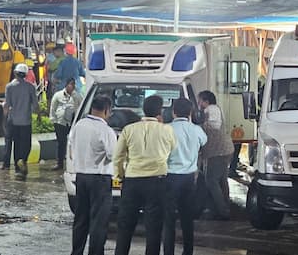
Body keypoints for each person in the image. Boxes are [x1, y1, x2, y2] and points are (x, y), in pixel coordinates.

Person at [114, 95, 176, 255]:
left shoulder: (129, 129)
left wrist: (120, 176)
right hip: (157, 182)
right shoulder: (167, 129)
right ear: (160, 111)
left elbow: (118, 156)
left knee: (125, 226)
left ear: (144, 109)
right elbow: (173, 152)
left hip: (132, 181)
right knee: (154, 228)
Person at [69, 96, 117, 255]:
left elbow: (72, 146)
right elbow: (113, 155)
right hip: (100, 179)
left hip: (81, 177)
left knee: (81, 219)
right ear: (106, 110)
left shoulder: (79, 125)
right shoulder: (106, 130)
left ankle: (76, 252)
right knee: (98, 221)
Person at [163, 98, 207, 255]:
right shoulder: (196, 130)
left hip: (170, 177)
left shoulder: (166, 129)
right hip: (189, 179)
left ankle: (169, 251)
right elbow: (204, 141)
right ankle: (188, 251)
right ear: (190, 112)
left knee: (168, 219)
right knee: (187, 218)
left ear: (173, 112)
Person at [198, 90, 235, 220]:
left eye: (200, 100)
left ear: (206, 101)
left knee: (211, 181)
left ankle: (222, 211)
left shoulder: (211, 109)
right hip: (224, 150)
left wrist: (201, 126)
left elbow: (214, 126)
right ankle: (224, 208)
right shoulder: (215, 109)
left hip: (217, 151)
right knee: (221, 180)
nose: (199, 103)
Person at [4, 63, 39, 178]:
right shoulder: (30, 87)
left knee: (16, 144)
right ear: (25, 74)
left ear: (15, 73)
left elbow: (7, 105)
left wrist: (5, 119)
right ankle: (23, 160)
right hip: (26, 121)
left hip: (13, 121)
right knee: (26, 145)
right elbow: (35, 105)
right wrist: (38, 116)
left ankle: (18, 168)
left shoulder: (9, 87)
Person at [49, 78, 82, 170]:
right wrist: (53, 120)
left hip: (72, 123)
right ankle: (59, 163)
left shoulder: (78, 96)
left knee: (74, 143)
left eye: (74, 84)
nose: (72, 86)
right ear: (66, 85)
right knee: (61, 143)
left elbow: (81, 108)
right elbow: (53, 108)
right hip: (60, 122)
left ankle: (73, 163)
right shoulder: (58, 95)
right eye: (71, 84)